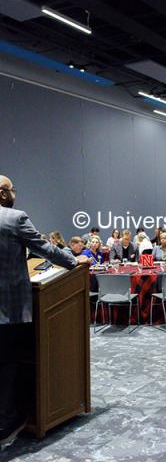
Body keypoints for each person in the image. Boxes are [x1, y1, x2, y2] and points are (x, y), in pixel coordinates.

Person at [0, 175, 88, 448]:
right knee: (9, 362)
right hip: (10, 308)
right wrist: (74, 261)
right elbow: (44, 248)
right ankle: (8, 420)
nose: (15, 193)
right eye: (12, 189)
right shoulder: (14, 218)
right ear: (3, 193)